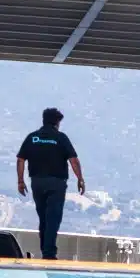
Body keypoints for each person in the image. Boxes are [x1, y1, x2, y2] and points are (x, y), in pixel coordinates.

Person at [16, 108, 85, 261]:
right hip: (56, 183)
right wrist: (80, 179)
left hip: (37, 183)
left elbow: (20, 159)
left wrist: (20, 181)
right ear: (57, 122)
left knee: (43, 218)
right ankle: (49, 253)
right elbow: (73, 160)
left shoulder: (32, 137)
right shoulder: (61, 138)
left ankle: (46, 250)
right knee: (53, 217)